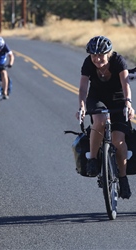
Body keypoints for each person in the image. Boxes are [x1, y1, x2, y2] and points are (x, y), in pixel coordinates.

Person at [76, 35, 135, 199]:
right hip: (97, 99)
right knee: (100, 121)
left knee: (118, 140)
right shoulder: (88, 63)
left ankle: (122, 179)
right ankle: (93, 160)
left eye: (100, 55)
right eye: (93, 55)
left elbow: (125, 85)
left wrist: (128, 103)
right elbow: (82, 87)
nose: (96, 59)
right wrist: (81, 105)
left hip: (118, 99)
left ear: (108, 53)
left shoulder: (118, 61)